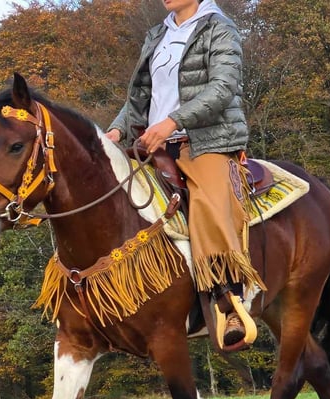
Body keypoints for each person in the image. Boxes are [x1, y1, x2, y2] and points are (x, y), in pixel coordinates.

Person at [105, 0, 266, 349]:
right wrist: (117, 132)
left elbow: (222, 89)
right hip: (154, 143)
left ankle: (231, 301)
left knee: (209, 201)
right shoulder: (158, 34)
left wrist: (173, 122)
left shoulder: (219, 27)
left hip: (206, 140)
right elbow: (142, 97)